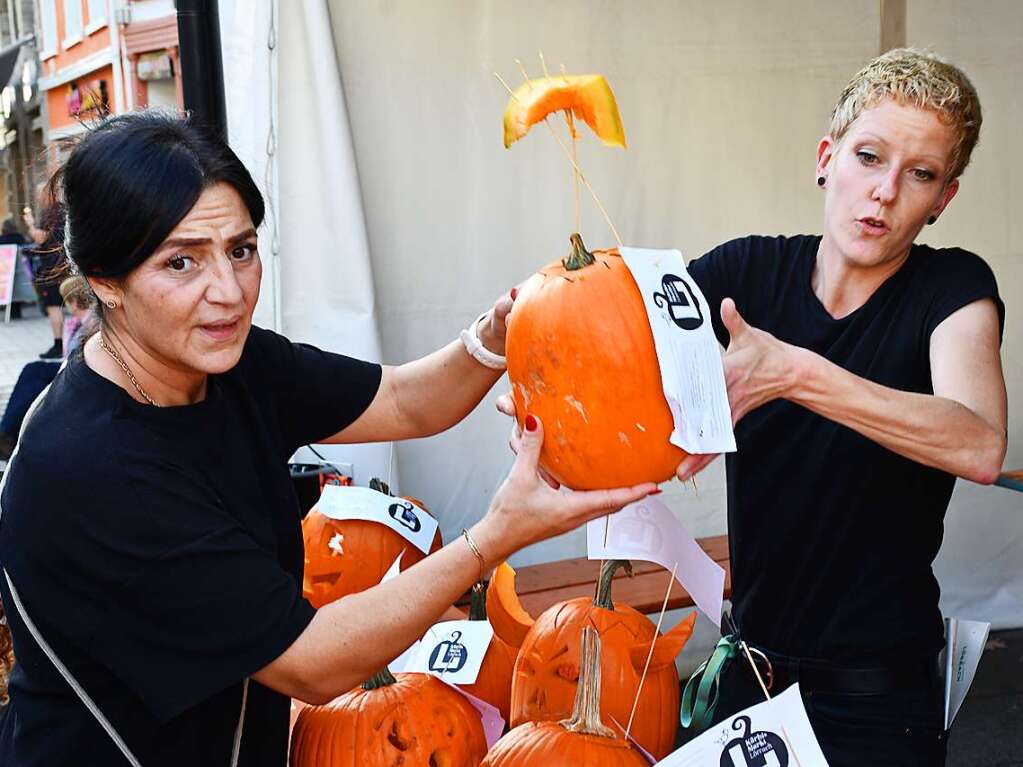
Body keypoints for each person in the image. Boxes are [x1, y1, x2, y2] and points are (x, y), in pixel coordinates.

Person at [0, 112, 659, 766]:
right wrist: (493, 536)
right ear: (107, 281)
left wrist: (491, 342)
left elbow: (401, 400)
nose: (228, 291)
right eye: (181, 262)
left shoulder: (223, 362)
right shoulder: (92, 469)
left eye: (241, 249)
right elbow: (311, 661)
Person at [671, 49, 1005, 765]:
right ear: (826, 158)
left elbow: (977, 443)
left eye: (918, 173)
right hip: (747, 678)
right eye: (867, 156)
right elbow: (618, 345)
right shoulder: (743, 274)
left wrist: (793, 372)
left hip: (876, 701)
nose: (882, 192)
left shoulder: (951, 288)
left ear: (942, 197)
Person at [0, 277, 95, 460]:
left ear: (74, 301)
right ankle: (7, 431)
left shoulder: (91, 323)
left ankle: (8, 433)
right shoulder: (80, 322)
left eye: (66, 301)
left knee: (35, 375)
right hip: (72, 366)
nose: (66, 306)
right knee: (33, 371)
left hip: (78, 371)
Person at [24, 199, 68, 359]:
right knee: (70, 304)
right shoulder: (63, 210)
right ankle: (69, 343)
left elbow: (40, 238)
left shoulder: (50, 213)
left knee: (54, 306)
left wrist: (30, 224)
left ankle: (59, 345)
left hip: (51, 268)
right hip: (64, 265)